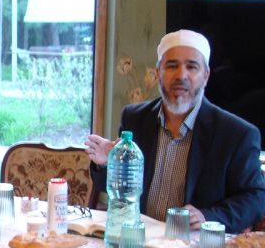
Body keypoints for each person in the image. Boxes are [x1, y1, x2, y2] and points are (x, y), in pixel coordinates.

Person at [85, 29, 265, 233]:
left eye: (192, 67)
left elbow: (256, 198)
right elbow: (119, 190)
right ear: (158, 72)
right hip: (137, 239)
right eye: (172, 66)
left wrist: (208, 217)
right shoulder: (135, 118)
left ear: (205, 76)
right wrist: (108, 163)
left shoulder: (236, 134)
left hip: (194, 245)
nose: (181, 75)